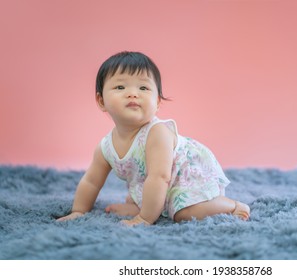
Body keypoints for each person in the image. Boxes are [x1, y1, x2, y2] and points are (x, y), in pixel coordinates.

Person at [57, 51, 250, 226]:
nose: (133, 93)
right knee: (138, 195)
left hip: (185, 177)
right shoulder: (105, 147)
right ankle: (146, 206)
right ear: (101, 101)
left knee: (183, 212)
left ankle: (230, 206)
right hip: (156, 184)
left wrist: (144, 218)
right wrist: (78, 211)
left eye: (143, 87)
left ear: (157, 102)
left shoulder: (157, 133)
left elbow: (160, 177)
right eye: (120, 86)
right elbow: (91, 181)